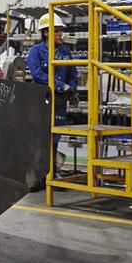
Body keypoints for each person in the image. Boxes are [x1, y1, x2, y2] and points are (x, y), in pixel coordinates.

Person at [27, 12, 78, 178]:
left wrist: (71, 88)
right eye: (56, 31)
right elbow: (37, 74)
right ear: (46, 32)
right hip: (41, 101)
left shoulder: (65, 52)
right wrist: (60, 86)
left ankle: (52, 172)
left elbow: (73, 72)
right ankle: (36, 174)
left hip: (60, 101)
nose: (60, 34)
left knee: (55, 137)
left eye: (60, 31)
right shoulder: (35, 51)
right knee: (40, 136)